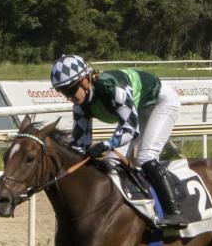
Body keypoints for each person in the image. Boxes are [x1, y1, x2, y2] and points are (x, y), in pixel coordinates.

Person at [49, 54, 192, 229]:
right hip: (136, 109)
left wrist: (105, 145)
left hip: (159, 102)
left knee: (146, 156)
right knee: (111, 161)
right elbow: (79, 144)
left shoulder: (112, 88)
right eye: (62, 92)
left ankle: (174, 213)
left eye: (70, 90)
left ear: (86, 80)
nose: (67, 97)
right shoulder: (80, 106)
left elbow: (130, 129)